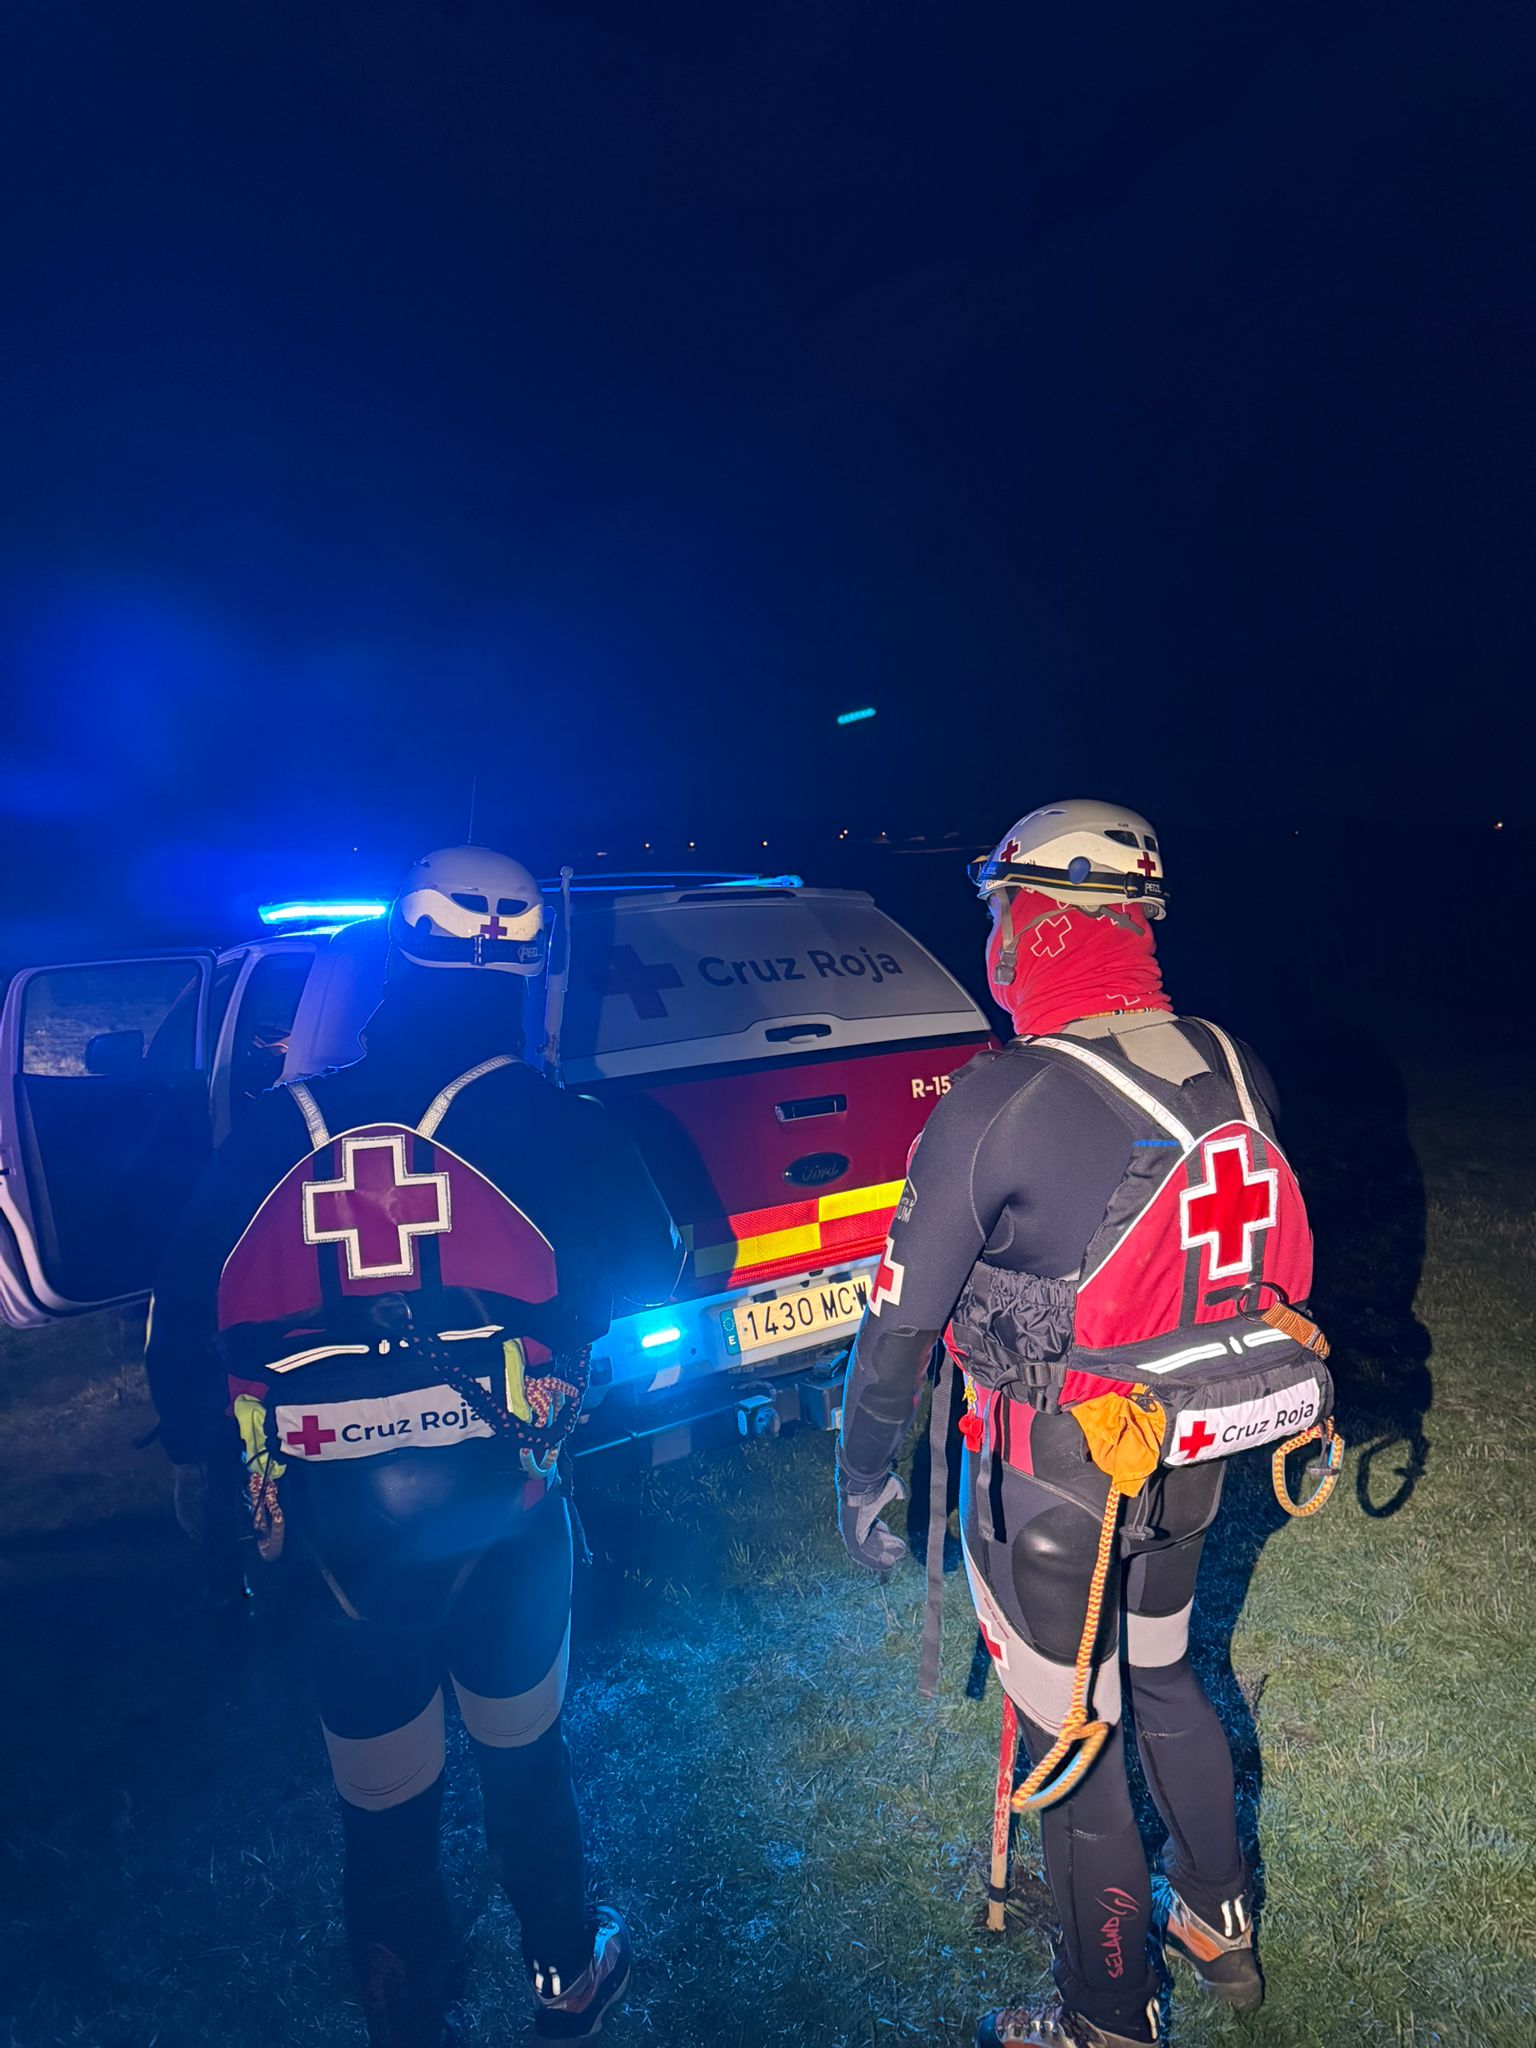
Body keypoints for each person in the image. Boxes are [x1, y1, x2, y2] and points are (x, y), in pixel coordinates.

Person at [148, 846, 681, 2048]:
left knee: (380, 1798)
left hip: (331, 1527)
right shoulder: (554, 1124)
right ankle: (566, 1975)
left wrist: (198, 1458)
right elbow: (651, 1268)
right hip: (503, 1500)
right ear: (529, 966)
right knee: (523, 1753)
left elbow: (182, 1322)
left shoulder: (273, 1131)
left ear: (399, 953)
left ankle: (407, 2013)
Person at [836, 800, 1332, 2048]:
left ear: (1039, 922)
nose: (993, 934)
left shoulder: (1005, 1093)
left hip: (1051, 1472)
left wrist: (861, 1471)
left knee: (1071, 1734)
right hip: (1190, 1448)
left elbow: (900, 1321)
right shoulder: (1232, 1057)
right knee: (1163, 1669)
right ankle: (1218, 1920)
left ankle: (1106, 2013)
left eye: (1002, 910)